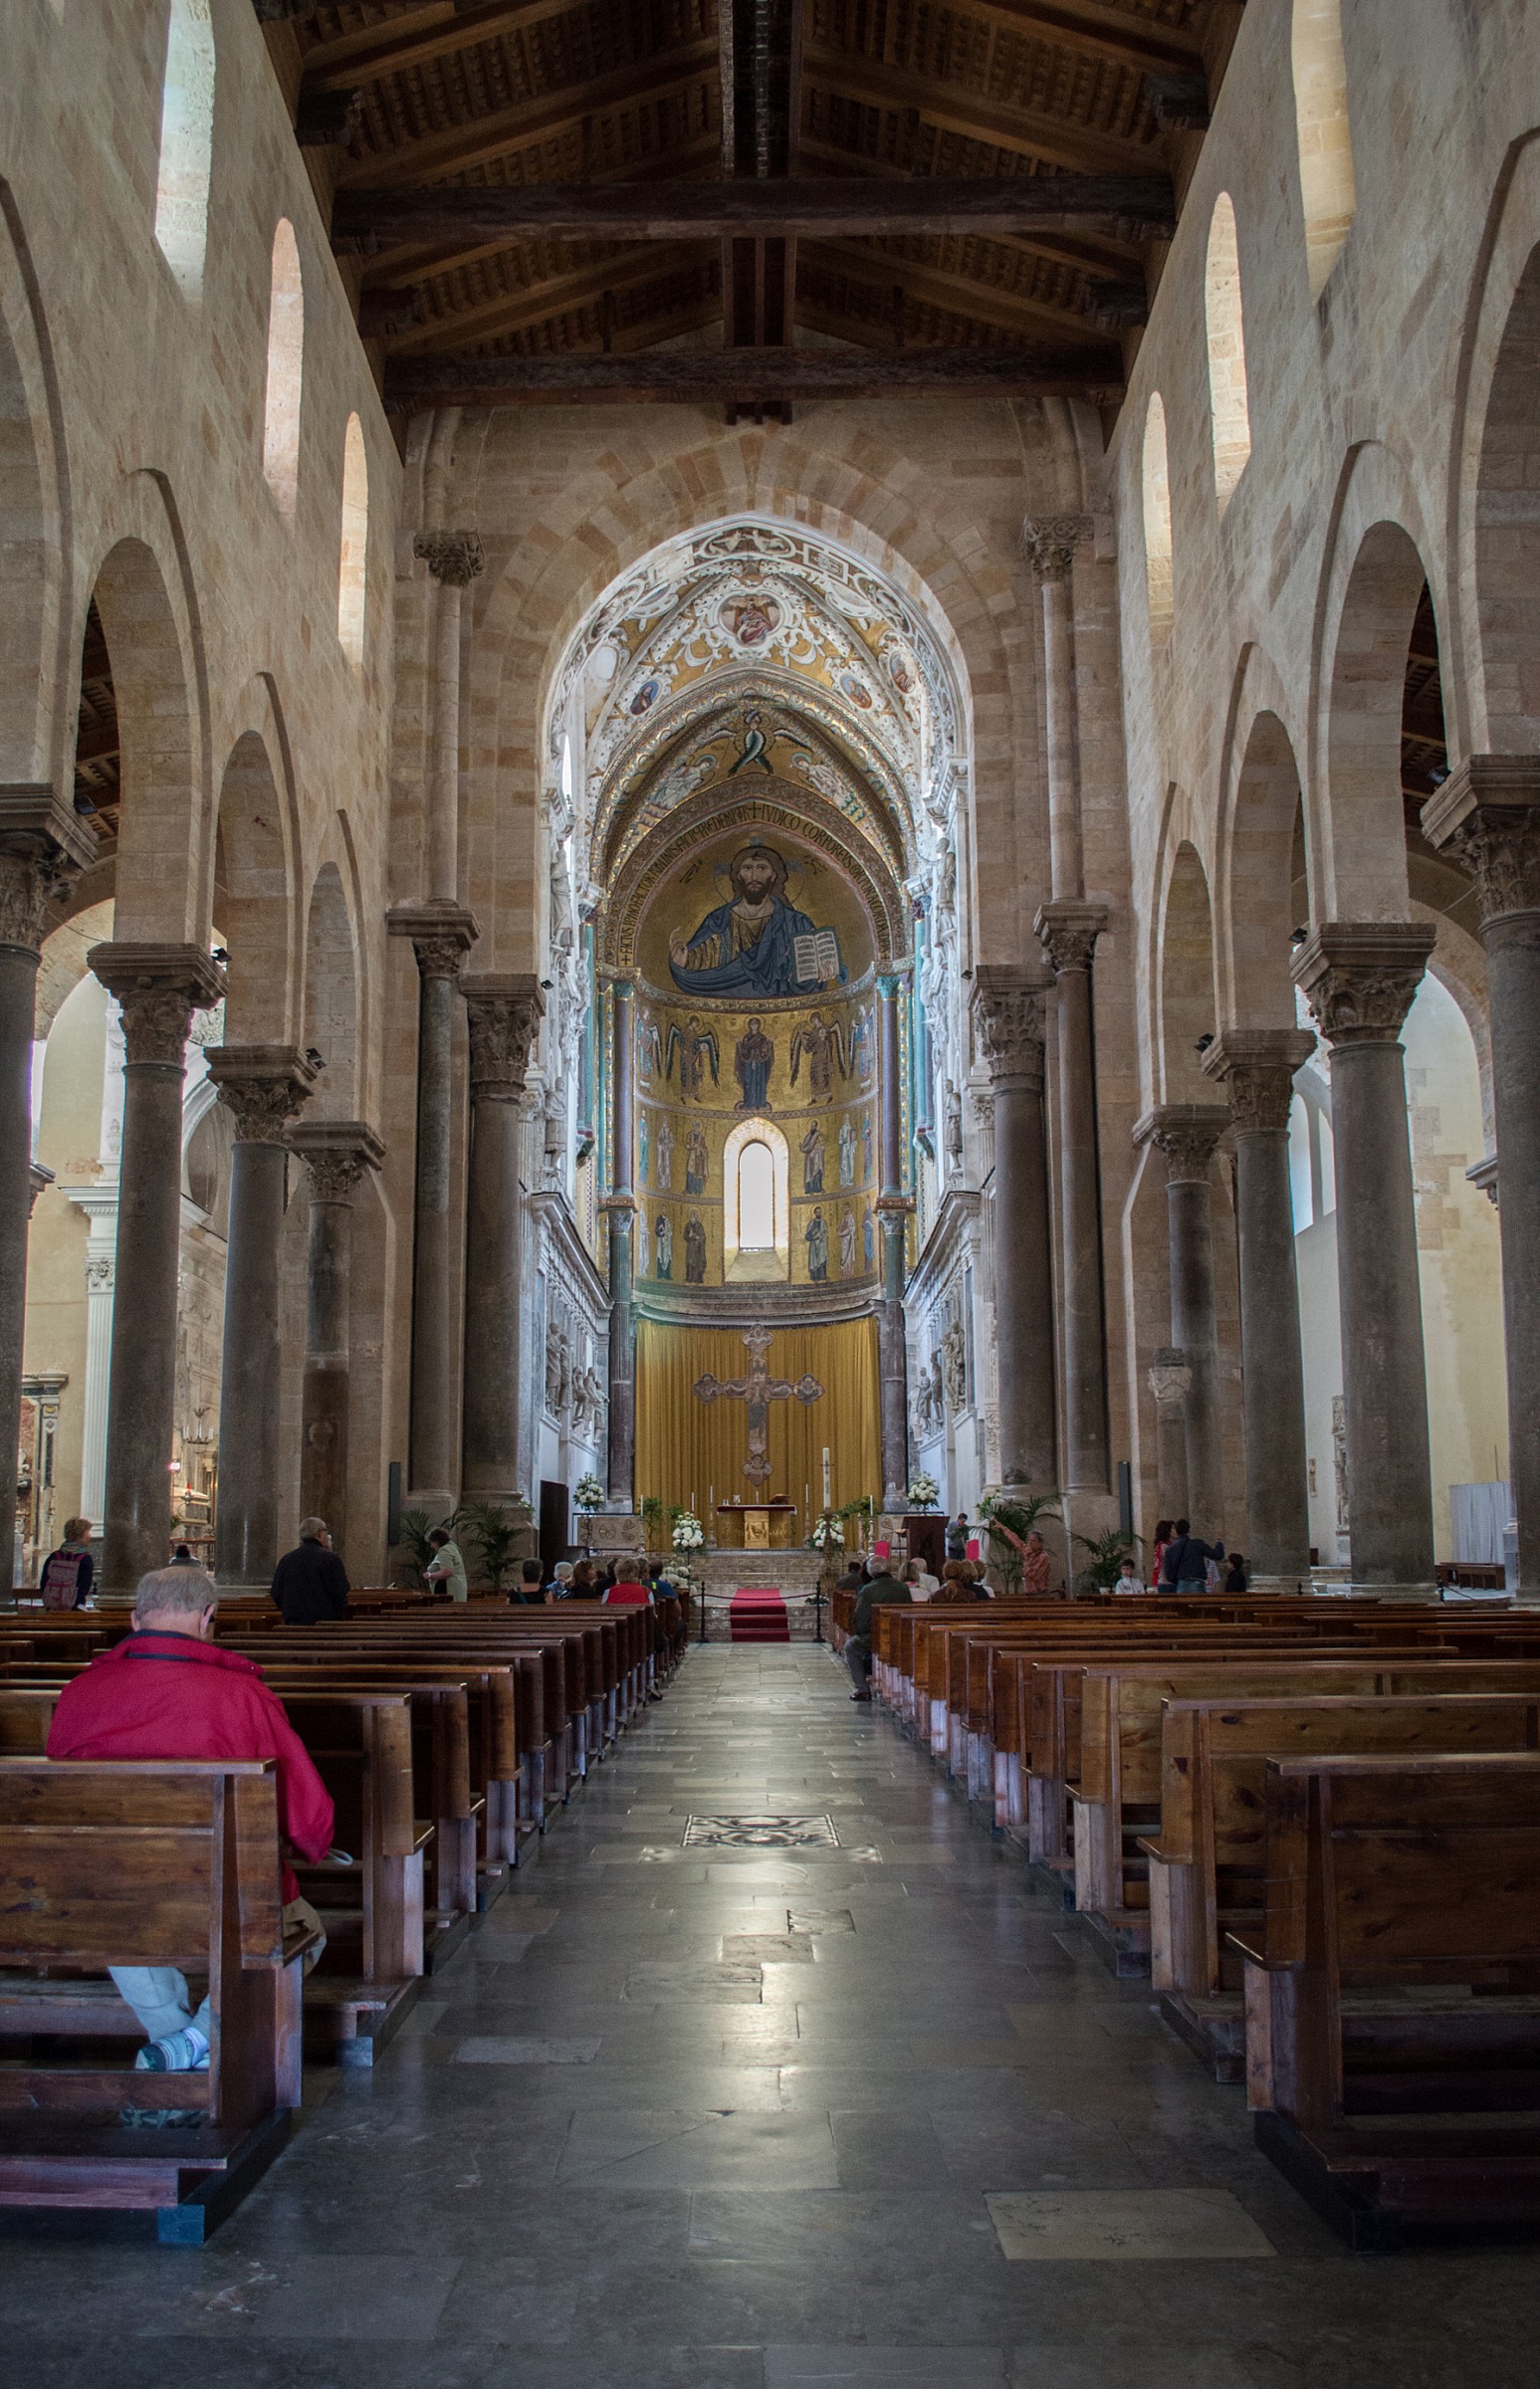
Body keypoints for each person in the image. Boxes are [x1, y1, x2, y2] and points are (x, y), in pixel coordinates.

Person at [46, 1565, 334, 2079]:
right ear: (207, 1618)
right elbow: (305, 1811)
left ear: (135, 1620)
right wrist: (315, 1846)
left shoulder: (78, 1694)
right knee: (303, 1932)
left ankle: (172, 2047)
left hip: (107, 1891)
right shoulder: (242, 1697)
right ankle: (200, 2038)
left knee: (123, 1919)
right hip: (222, 1893)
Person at [845, 1551, 912, 1701]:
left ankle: (862, 1689)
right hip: (902, 1633)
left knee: (850, 1648)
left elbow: (861, 1619)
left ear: (870, 1571)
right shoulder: (902, 1587)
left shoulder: (868, 1590)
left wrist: (860, 1632)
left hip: (876, 1636)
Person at [270, 1516, 350, 1625]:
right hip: (325, 1624)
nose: (327, 1535)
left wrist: (289, 1612)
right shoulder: (331, 1559)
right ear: (319, 1534)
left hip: (294, 1624)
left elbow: (276, 1592)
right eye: (325, 1531)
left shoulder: (286, 1560)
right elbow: (342, 1591)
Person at [39, 1515, 94, 1610]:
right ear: (79, 1535)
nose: (90, 1536)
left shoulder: (54, 1556)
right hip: (74, 1608)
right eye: (87, 1532)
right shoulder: (85, 1559)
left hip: (52, 1608)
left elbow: (44, 1582)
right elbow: (85, 1586)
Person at [1160, 1517, 1225, 1594]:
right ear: (1189, 1530)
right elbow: (1218, 1555)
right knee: (1198, 1605)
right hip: (1197, 1582)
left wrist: (1178, 1579)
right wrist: (1219, 1540)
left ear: (1177, 1532)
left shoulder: (1170, 1549)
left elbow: (1168, 1573)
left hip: (1181, 1584)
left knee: (1183, 1605)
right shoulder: (1197, 1544)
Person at [425, 1524, 468, 1604]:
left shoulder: (445, 1550)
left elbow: (447, 1571)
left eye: (432, 1543)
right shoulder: (452, 1547)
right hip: (453, 1587)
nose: (431, 1546)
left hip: (448, 1588)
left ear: (437, 1541)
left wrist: (430, 1575)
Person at [1149, 1519, 1175, 1591]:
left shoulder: (1160, 1545)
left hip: (1163, 1581)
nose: (1175, 1531)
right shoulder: (1165, 1546)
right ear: (1168, 1531)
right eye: (1173, 1528)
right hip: (1167, 1582)